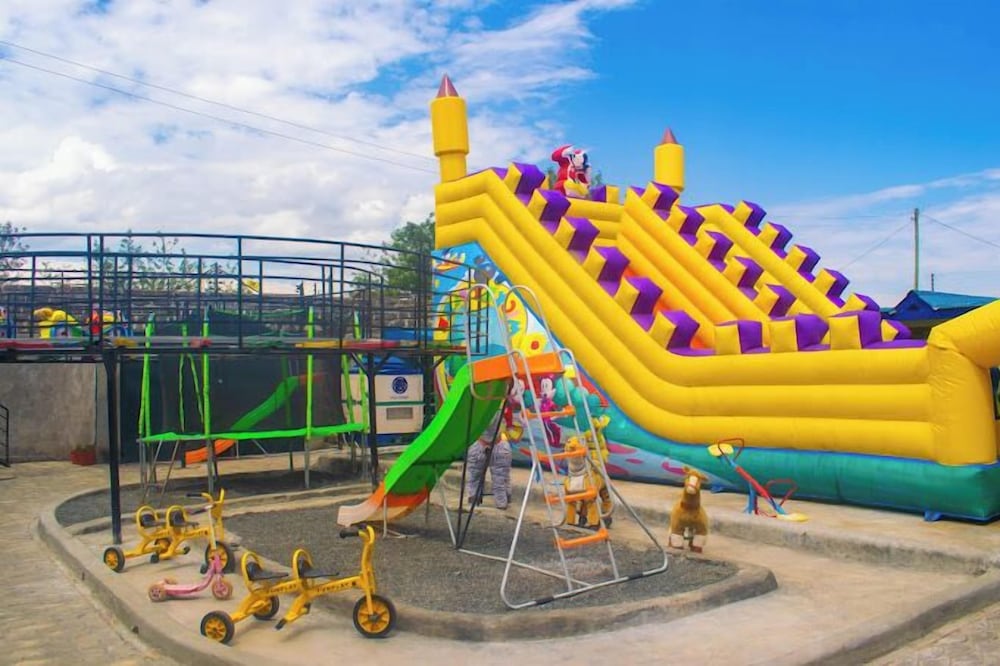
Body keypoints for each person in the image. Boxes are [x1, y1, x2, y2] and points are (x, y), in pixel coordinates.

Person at [465, 414, 513, 510]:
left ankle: (474, 497)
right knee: (500, 478)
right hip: (497, 445)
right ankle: (502, 500)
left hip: (483, 443)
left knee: (475, 476)